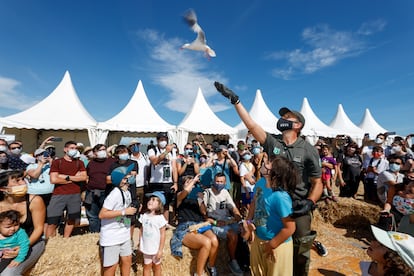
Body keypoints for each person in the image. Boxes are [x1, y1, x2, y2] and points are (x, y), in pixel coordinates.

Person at [214, 81, 322, 276]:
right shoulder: (274, 143)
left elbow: (317, 182)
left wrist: (310, 202)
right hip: (272, 203)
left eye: (286, 117)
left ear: (297, 125)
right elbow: (252, 125)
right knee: (271, 244)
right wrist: (236, 101)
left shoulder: (308, 150)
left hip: (297, 206)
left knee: (299, 249)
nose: (282, 119)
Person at [242, 156, 298, 275]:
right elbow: (254, 202)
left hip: (277, 245)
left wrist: (271, 245)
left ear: (275, 173)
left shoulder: (281, 197)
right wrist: (248, 222)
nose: (264, 163)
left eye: (268, 163)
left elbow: (290, 228)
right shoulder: (261, 182)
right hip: (259, 240)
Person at [170, 175, 219, 276]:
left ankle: (210, 266)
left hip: (199, 224)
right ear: (182, 185)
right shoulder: (179, 196)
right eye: (188, 182)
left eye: (192, 183)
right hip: (185, 227)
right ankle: (199, 273)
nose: (191, 185)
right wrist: (194, 180)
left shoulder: (196, 197)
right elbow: (185, 192)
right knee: (206, 242)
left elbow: (204, 212)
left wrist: (201, 200)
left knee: (214, 240)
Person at [0, 170, 46, 275]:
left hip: (31, 242)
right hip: (4, 243)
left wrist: (22, 248)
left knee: (8, 274)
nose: (23, 183)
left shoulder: (35, 201)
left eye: (23, 179)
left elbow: (39, 229)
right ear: (3, 188)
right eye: (17, 181)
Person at [99, 164, 137, 276]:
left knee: (127, 259)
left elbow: (124, 214)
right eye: (128, 175)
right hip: (112, 237)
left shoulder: (127, 192)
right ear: (122, 180)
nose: (131, 176)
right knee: (111, 266)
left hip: (123, 234)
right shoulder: (114, 194)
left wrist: (127, 223)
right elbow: (102, 214)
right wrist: (125, 212)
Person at [202, 172, 243, 276]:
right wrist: (214, 221)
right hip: (215, 223)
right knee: (232, 235)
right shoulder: (208, 193)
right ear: (213, 181)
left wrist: (239, 218)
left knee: (244, 231)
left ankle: (244, 259)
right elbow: (203, 214)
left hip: (226, 220)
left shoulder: (225, 192)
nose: (219, 183)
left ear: (225, 183)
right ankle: (232, 261)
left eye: (221, 182)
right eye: (217, 181)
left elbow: (233, 207)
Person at [46, 140, 88, 238]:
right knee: (53, 220)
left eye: (75, 149)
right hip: (59, 194)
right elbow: (53, 179)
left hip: (75, 194)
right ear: (65, 149)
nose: (74, 150)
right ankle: (49, 242)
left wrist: (66, 177)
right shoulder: (57, 162)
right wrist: (74, 178)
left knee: (72, 218)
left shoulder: (80, 163)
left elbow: (83, 177)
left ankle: (66, 238)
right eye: (72, 148)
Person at [147, 132, 178, 222]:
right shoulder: (152, 150)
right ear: (157, 140)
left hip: (168, 182)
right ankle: (153, 223)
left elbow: (174, 167)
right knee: (154, 205)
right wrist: (166, 152)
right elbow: (155, 161)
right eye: (161, 140)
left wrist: (175, 183)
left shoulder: (172, 151)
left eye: (165, 140)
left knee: (166, 205)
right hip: (155, 182)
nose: (163, 141)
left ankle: (165, 224)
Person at [84, 144, 115, 233]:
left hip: (107, 192)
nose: (103, 151)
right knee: (93, 216)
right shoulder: (91, 163)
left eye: (104, 149)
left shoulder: (112, 161)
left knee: (108, 214)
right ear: (95, 153)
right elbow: (87, 176)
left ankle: (107, 233)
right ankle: (95, 234)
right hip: (92, 192)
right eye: (100, 150)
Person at [138, 191, 167, 276]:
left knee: (157, 266)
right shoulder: (144, 216)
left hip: (155, 249)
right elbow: (141, 230)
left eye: (154, 200)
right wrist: (140, 244)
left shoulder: (160, 218)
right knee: (146, 266)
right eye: (150, 199)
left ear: (159, 204)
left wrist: (160, 250)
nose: (150, 201)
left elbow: (163, 234)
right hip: (146, 248)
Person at [26, 148, 53, 234]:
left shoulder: (50, 165)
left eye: (45, 154)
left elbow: (56, 173)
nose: (44, 156)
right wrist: (41, 164)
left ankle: (44, 235)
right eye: (41, 154)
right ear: (37, 157)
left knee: (47, 216)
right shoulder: (31, 166)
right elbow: (34, 175)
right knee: (36, 216)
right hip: (35, 194)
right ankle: (35, 232)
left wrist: (51, 162)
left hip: (50, 193)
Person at [128, 139, 149, 210]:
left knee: (143, 206)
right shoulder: (128, 158)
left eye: (137, 144)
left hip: (143, 186)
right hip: (132, 186)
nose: (135, 146)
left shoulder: (145, 157)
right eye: (133, 145)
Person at [239, 151, 255, 215]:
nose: (247, 155)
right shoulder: (242, 166)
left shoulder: (250, 164)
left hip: (252, 187)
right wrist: (246, 191)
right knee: (247, 205)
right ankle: (247, 218)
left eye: (248, 154)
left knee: (251, 203)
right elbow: (242, 178)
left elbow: (253, 169)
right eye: (246, 154)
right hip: (246, 189)